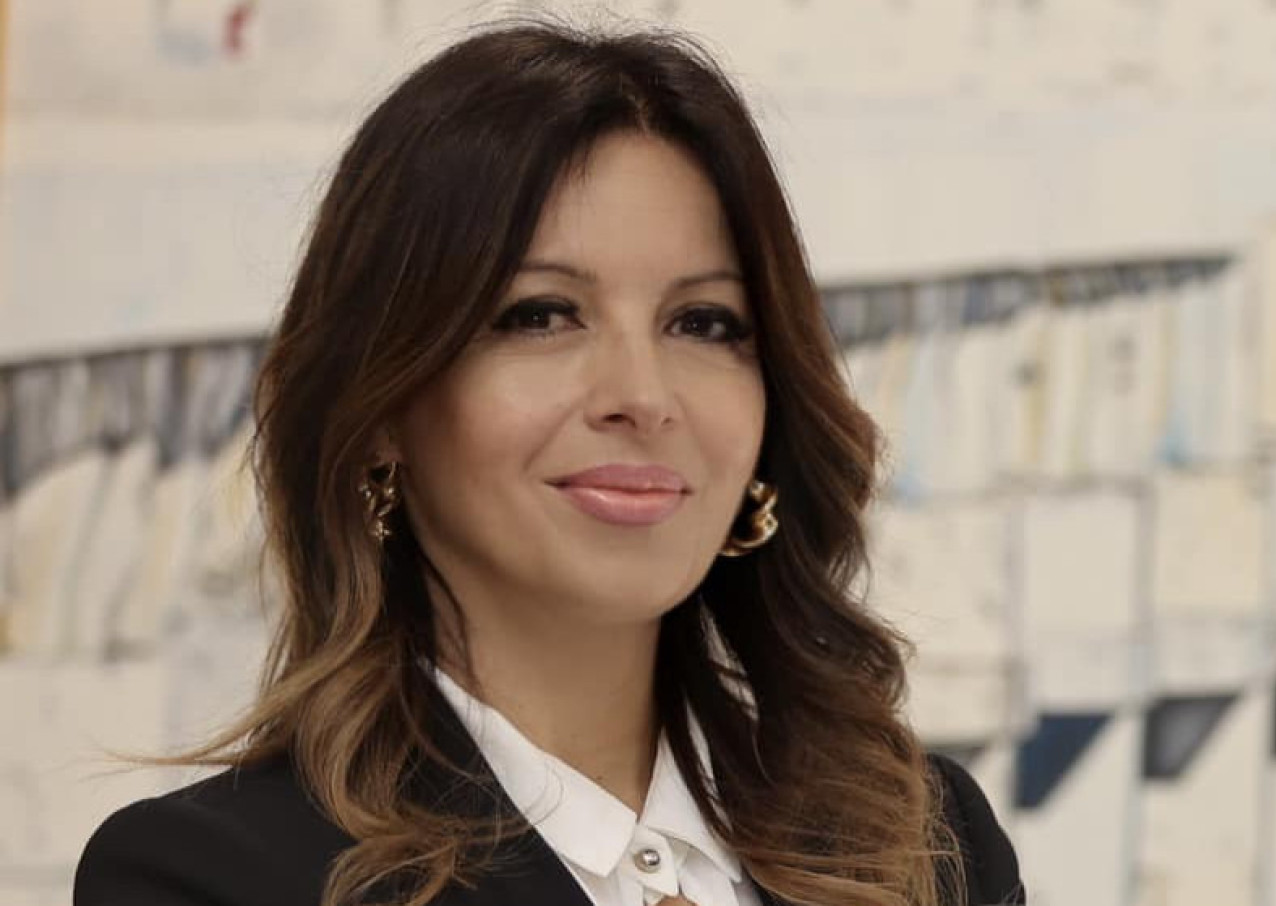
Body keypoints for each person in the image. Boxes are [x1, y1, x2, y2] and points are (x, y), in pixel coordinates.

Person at [74, 20, 1023, 906]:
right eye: (540, 316)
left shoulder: (926, 843)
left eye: (703, 322)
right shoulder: (213, 877)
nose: (642, 395)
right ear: (381, 408)